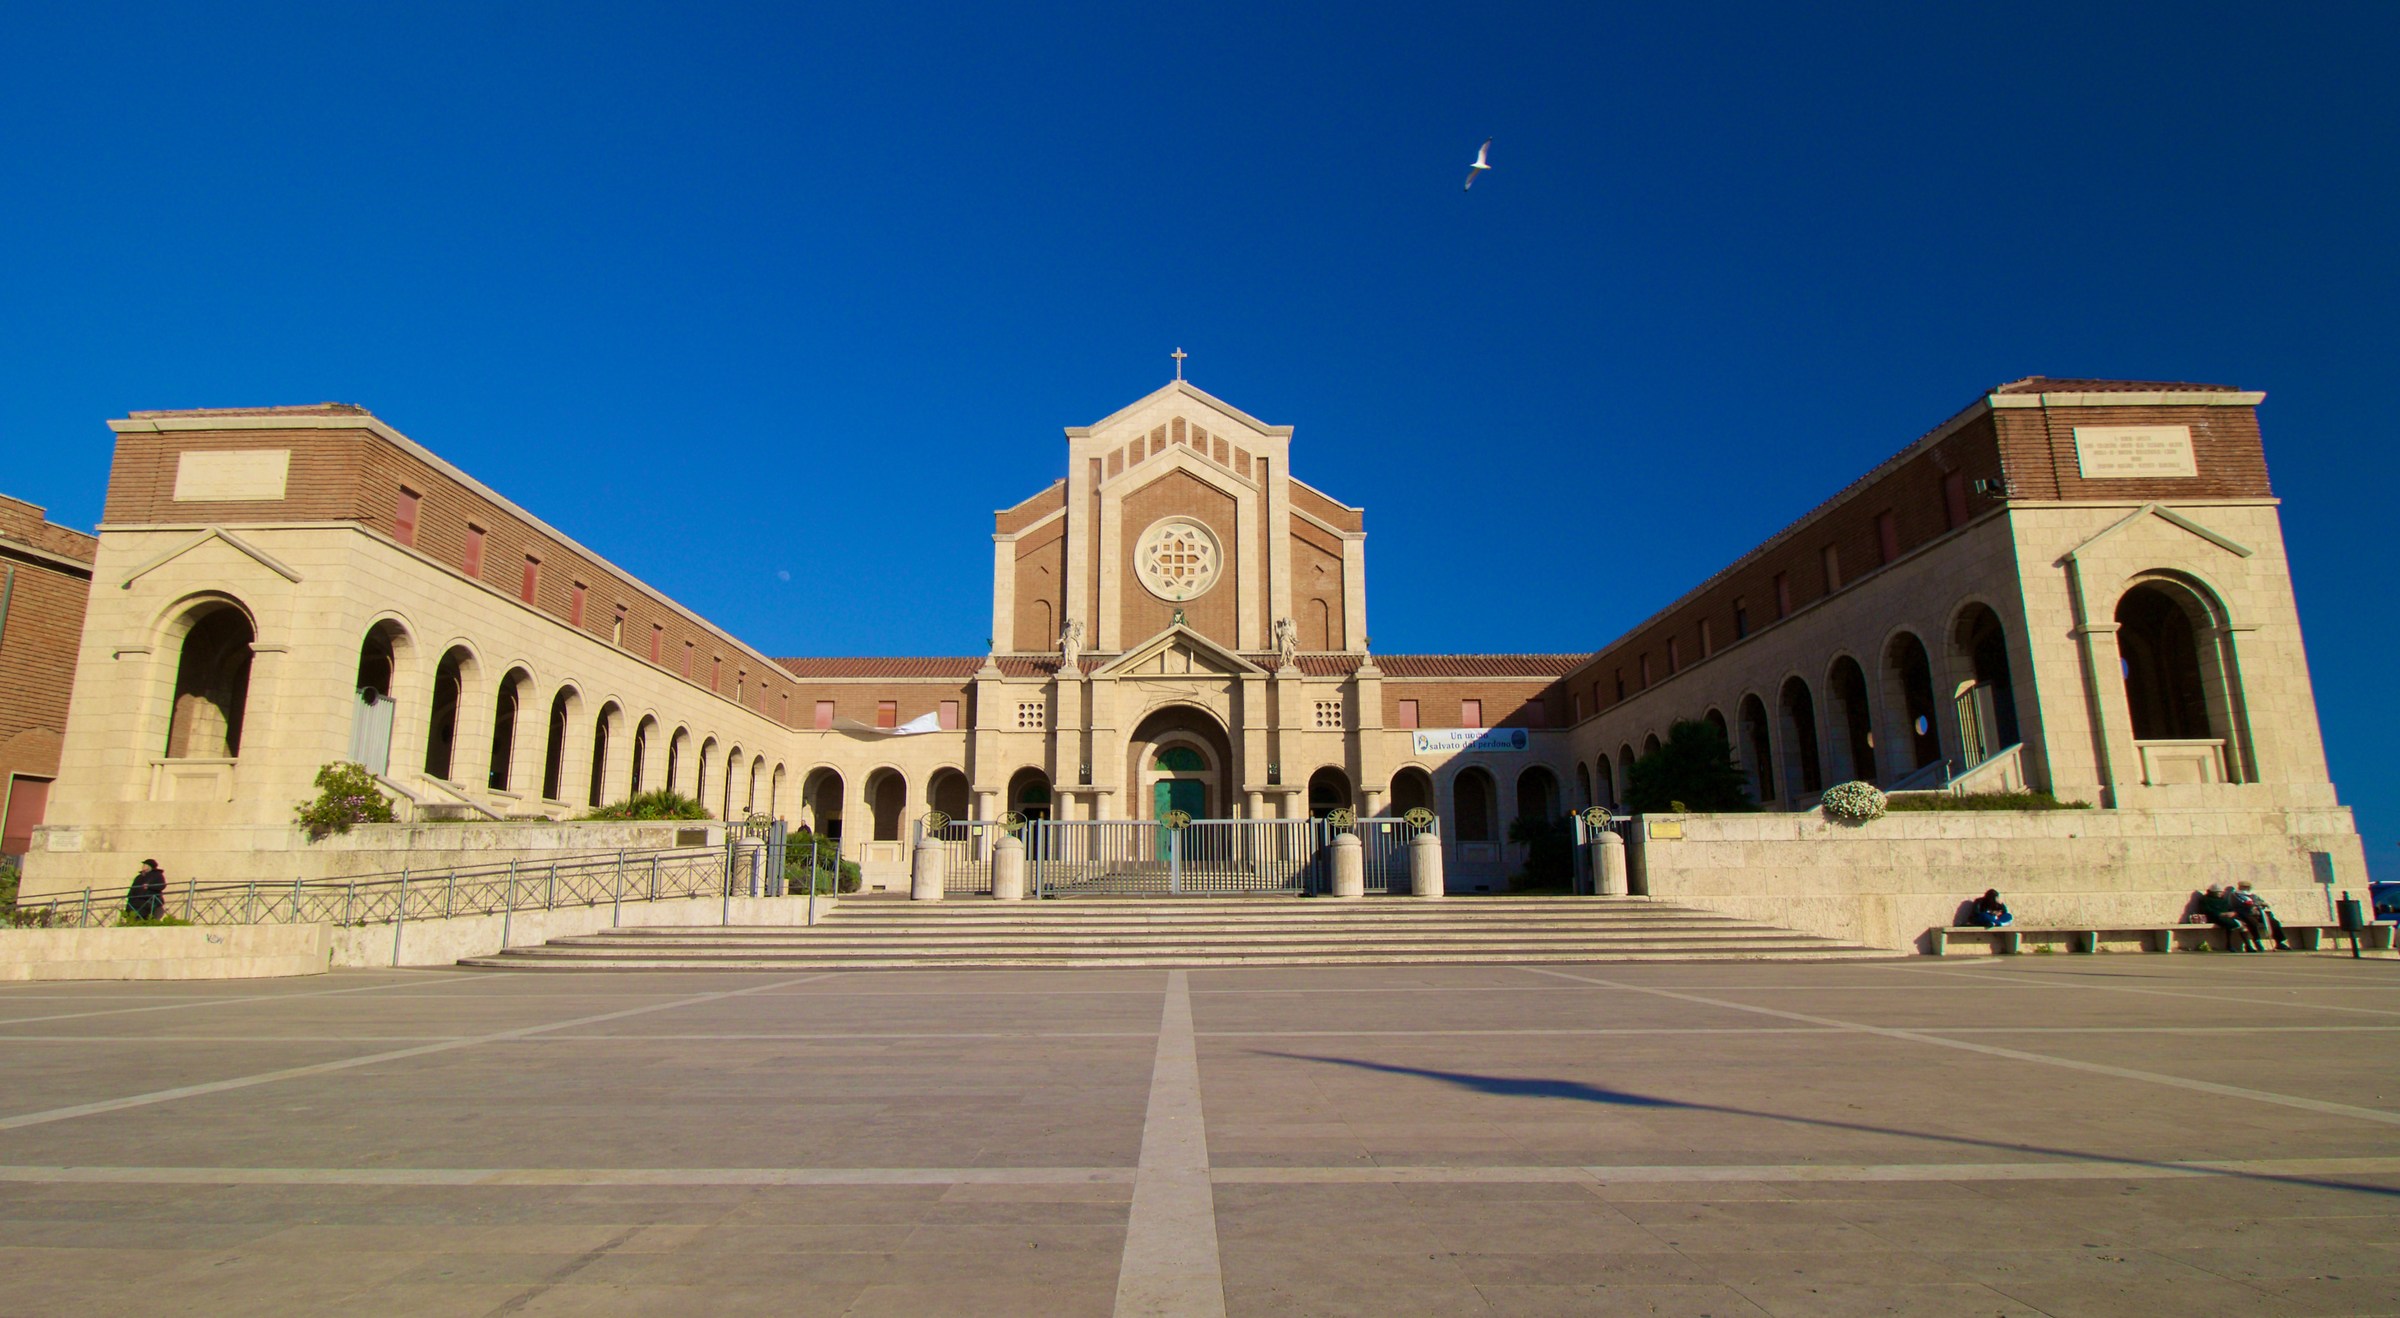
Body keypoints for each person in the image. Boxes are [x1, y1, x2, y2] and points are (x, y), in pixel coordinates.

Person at [2193, 885, 2259, 952]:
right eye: (2218, 892)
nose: (2220, 893)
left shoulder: (2222, 900)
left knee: (2242, 924)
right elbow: (2207, 910)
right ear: (2213, 892)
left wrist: (2232, 913)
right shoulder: (2205, 899)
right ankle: (2229, 945)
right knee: (2232, 924)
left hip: (2227, 916)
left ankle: (2248, 945)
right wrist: (2221, 914)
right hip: (2215, 917)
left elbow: (2229, 908)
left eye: (2221, 892)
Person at [2233, 881, 2286, 951]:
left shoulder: (2253, 895)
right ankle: (2257, 940)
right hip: (2244, 914)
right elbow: (2236, 906)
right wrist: (2250, 908)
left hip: (2258, 913)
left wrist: (2263, 904)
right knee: (2253, 923)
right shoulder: (2235, 895)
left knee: (2274, 922)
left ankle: (2279, 942)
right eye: (2244, 887)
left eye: (2247, 887)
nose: (2246, 889)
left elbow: (2260, 902)